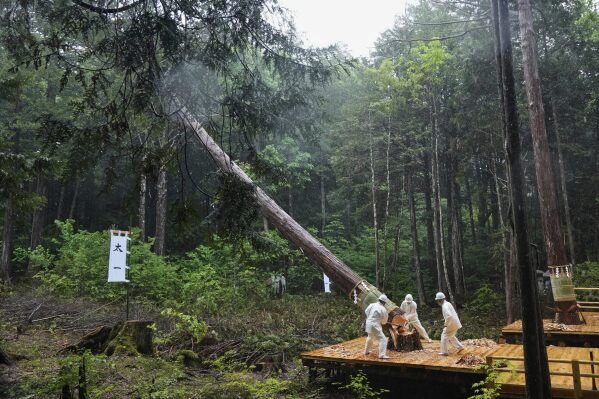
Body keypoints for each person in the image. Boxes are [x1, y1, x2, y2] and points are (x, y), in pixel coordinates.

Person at [364, 294, 390, 359]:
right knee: (383, 339)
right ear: (384, 302)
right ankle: (382, 355)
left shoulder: (372, 305)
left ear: (379, 300)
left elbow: (366, 311)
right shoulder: (383, 309)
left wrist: (370, 318)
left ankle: (366, 351)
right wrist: (381, 321)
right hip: (374, 324)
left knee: (370, 337)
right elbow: (384, 321)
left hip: (368, 323)